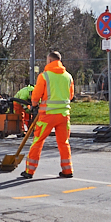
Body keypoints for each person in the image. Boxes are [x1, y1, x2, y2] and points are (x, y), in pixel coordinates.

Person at [21, 51, 74, 179]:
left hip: (47, 116)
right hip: (64, 116)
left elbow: (36, 95)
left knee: (38, 141)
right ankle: (67, 170)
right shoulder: (68, 77)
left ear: (50, 60)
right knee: (64, 143)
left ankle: (29, 171)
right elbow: (71, 96)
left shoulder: (44, 76)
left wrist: (34, 104)